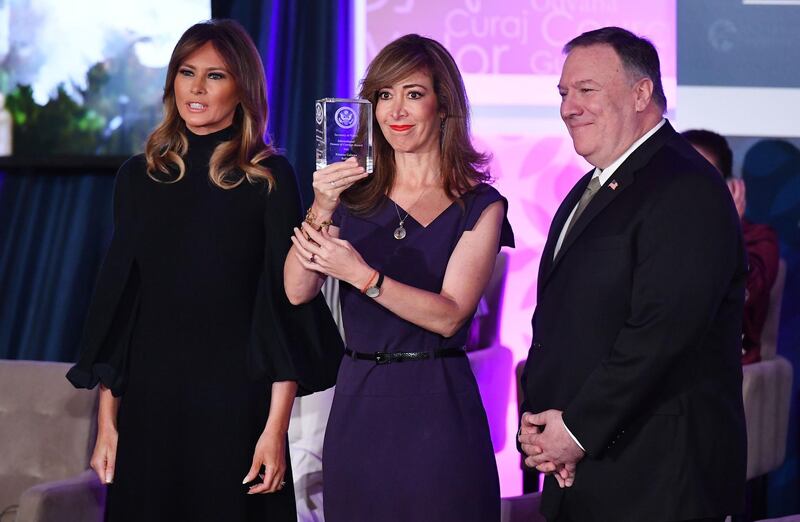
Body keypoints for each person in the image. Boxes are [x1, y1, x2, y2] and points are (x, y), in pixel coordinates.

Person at [66, 19, 342, 522]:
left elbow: (279, 311)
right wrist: (108, 423)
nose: (196, 88)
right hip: (151, 404)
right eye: (186, 72)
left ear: (242, 89)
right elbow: (120, 305)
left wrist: (274, 429)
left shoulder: (268, 176)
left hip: (234, 404)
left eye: (214, 76)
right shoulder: (139, 177)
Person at [518, 27, 747, 522]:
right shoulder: (590, 190)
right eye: (563, 93)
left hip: (657, 481)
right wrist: (544, 431)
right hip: (585, 472)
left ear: (642, 93)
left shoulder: (684, 186)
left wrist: (574, 431)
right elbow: (565, 325)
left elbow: (661, 333)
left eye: (586, 90)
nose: (568, 108)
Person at [284, 34, 513, 522]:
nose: (396, 110)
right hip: (359, 401)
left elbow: (450, 316)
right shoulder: (351, 196)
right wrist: (322, 205)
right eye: (384, 95)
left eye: (413, 93)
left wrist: (364, 277)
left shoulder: (479, 204)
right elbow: (296, 289)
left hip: (437, 402)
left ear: (443, 104)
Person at [683, 129, 780, 364]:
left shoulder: (759, 238)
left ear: (730, 187)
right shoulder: (653, 233)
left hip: (723, 363)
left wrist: (727, 231)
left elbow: (747, 294)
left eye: (702, 177)